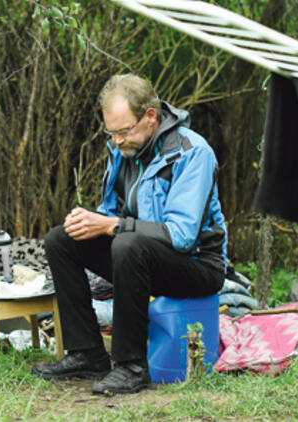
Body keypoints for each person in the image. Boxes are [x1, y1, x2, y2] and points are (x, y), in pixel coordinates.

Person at [31, 74, 228, 395]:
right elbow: (111, 213)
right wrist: (89, 222)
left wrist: (111, 226)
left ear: (150, 117)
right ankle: (87, 353)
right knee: (62, 239)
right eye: (111, 133)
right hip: (138, 256)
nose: (117, 140)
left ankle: (131, 366)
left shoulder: (193, 152)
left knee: (127, 242)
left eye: (123, 131)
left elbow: (181, 236)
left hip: (197, 267)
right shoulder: (123, 152)